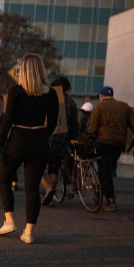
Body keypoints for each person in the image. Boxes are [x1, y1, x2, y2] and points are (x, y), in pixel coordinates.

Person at [0, 53, 59, 244]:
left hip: (18, 139)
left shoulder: (16, 91)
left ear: (24, 71)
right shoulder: (51, 94)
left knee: (4, 178)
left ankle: (9, 220)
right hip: (39, 139)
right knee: (32, 189)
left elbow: (7, 121)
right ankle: (28, 232)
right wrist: (41, 135)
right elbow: (52, 124)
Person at [86, 86, 134, 211]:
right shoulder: (124, 106)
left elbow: (92, 128)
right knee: (107, 170)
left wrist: (86, 140)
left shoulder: (99, 106)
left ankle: (110, 201)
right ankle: (104, 192)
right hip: (118, 145)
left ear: (102, 96)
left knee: (104, 171)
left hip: (103, 143)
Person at [40, 76, 79, 206]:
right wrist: (72, 139)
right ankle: (51, 194)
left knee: (37, 167)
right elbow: (74, 125)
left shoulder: (48, 98)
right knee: (54, 168)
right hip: (62, 141)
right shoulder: (71, 103)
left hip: (46, 138)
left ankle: (48, 189)